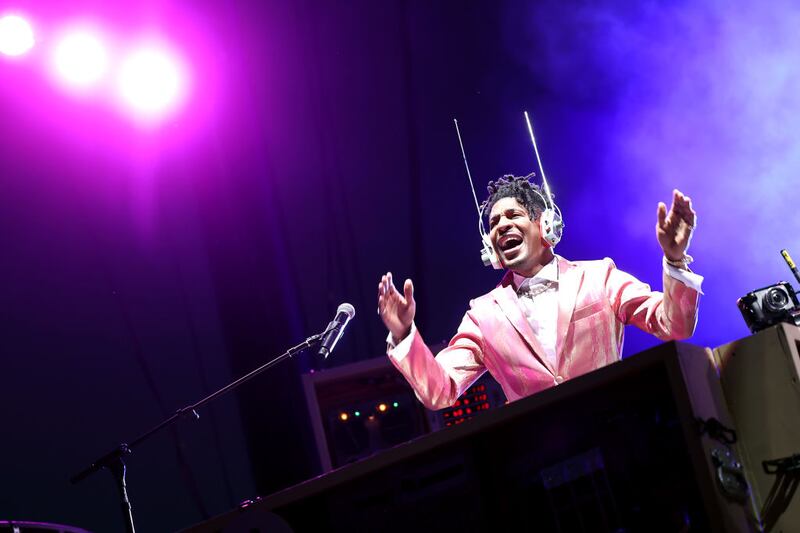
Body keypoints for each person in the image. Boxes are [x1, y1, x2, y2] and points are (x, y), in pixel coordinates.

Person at [377, 175, 702, 410]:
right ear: (490, 247)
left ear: (545, 226)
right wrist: (405, 334)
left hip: (620, 427)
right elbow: (440, 391)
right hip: (543, 460)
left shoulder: (599, 276)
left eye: (513, 215)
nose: (501, 226)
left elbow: (673, 325)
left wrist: (674, 260)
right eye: (493, 224)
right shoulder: (482, 316)